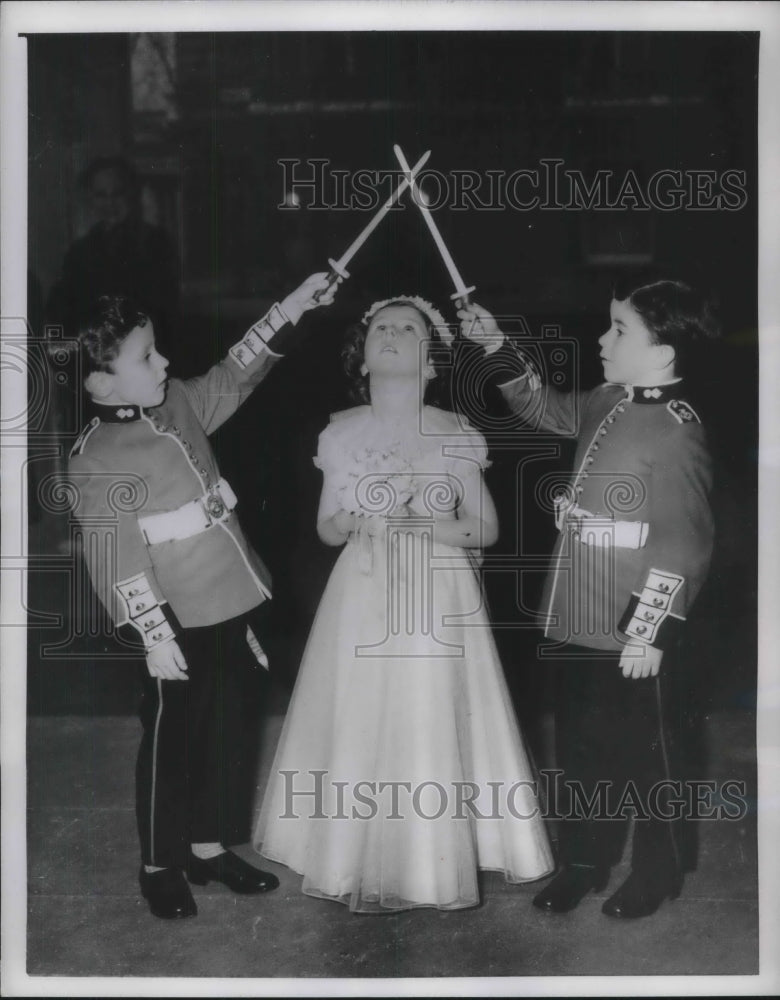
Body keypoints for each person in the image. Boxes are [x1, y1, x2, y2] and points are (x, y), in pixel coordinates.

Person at [252, 295, 554, 913]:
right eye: (379, 328)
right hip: (362, 589)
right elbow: (326, 529)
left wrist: (416, 518)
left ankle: (429, 862)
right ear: (361, 358)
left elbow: (485, 529)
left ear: (432, 364)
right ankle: (347, 852)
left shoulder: (454, 432)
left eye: (408, 328)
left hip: (436, 589)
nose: (391, 334)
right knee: (362, 709)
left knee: (427, 710)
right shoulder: (340, 433)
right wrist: (357, 512)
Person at [67, 273, 338, 920]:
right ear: (101, 384)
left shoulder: (180, 401)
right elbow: (116, 556)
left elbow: (237, 370)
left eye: (157, 349)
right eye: (145, 357)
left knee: (227, 725)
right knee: (171, 737)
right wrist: (154, 634)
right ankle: (160, 860)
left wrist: (292, 308)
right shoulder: (96, 458)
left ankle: (208, 845)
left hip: (228, 594)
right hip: (175, 616)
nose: (164, 362)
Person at [457, 277, 718, 919]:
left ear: (662, 352)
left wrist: (649, 630)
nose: (602, 339)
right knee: (580, 750)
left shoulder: (677, 429)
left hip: (629, 624)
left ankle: (656, 873)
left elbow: (687, 542)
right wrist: (496, 347)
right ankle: (583, 860)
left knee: (649, 755)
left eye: (620, 330)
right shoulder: (608, 397)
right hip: (577, 609)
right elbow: (546, 408)